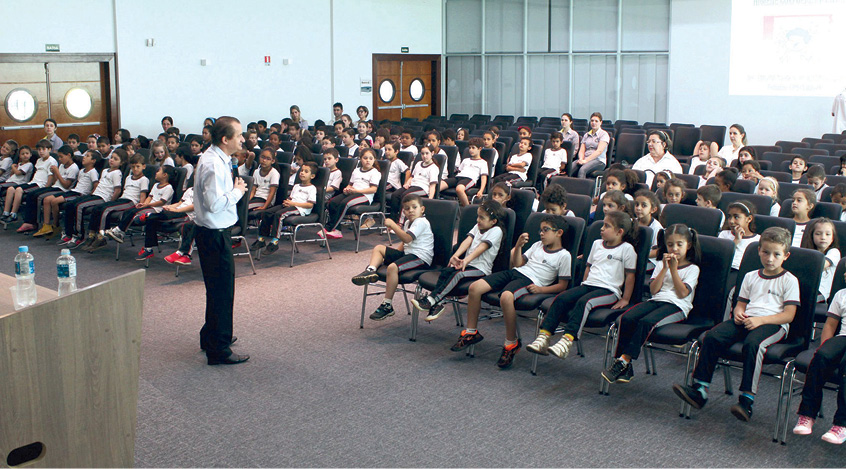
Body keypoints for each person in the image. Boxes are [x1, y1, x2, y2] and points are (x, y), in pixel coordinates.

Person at [673, 227, 800, 422]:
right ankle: (700, 389)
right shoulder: (751, 276)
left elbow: (789, 315)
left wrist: (760, 320)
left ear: (786, 256)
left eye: (776, 254)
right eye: (766, 252)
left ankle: (746, 400)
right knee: (712, 336)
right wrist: (739, 313)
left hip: (773, 323)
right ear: (759, 251)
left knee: (753, 344)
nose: (770, 259)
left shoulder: (789, 280)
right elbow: (740, 304)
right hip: (748, 318)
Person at [452, 215, 571, 368]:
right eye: (540, 230)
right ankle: (471, 332)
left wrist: (541, 290)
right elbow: (518, 263)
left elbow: (562, 286)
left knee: (506, 297)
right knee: (475, 288)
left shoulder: (564, 255)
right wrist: (519, 246)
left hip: (531, 281)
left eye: (545, 230)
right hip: (516, 272)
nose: (541, 233)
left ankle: (511, 343)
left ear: (559, 233)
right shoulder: (537, 245)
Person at [526, 211, 638, 358]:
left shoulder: (627, 249)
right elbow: (588, 267)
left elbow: (630, 276)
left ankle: (566, 341)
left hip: (609, 290)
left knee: (584, 302)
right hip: (589, 285)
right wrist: (583, 285)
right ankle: (544, 336)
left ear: (619, 232)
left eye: (607, 226)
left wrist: (625, 299)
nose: (602, 228)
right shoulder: (597, 244)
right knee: (562, 298)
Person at [602, 224, 701, 384]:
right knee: (626, 318)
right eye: (670, 245)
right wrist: (665, 269)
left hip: (677, 306)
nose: (674, 248)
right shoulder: (661, 264)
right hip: (657, 300)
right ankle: (624, 367)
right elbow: (654, 290)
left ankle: (624, 360)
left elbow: (683, 293)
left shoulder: (693, 269)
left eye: (679, 244)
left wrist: (674, 270)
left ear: (688, 245)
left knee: (646, 322)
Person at [193, 116, 249, 366]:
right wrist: (238, 192)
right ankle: (219, 349)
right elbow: (215, 204)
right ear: (225, 139)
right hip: (214, 234)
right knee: (223, 291)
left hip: (211, 232)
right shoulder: (214, 164)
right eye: (239, 135)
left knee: (216, 290)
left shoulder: (217, 158)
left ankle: (212, 336)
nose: (243, 139)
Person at [412, 200, 507, 322]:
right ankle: (437, 304)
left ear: (493, 221)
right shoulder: (478, 227)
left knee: (458, 275)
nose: (478, 220)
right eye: (478, 216)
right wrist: (455, 256)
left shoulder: (496, 230)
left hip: (481, 269)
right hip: (468, 264)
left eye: (482, 218)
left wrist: (466, 260)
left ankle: (432, 300)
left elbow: (482, 247)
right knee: (447, 271)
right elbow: (467, 241)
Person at [353, 193, 434, 321]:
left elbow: (407, 238)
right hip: (408, 254)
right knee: (379, 248)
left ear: (422, 209)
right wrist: (395, 255)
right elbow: (405, 243)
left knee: (392, 267)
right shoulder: (408, 223)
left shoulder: (421, 222)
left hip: (420, 258)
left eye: (414, 207)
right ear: (404, 212)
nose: (411, 210)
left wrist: (393, 225)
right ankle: (370, 271)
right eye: (407, 208)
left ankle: (387, 305)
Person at [792, 271, 846, 444]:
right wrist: (826, 348)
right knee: (820, 357)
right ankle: (807, 414)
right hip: (843, 337)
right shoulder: (841, 294)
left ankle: (841, 424)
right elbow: (830, 325)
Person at [61, 150, 124, 247]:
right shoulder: (104, 171)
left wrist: (110, 202)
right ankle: (69, 233)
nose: (112, 160)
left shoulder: (117, 173)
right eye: (111, 158)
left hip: (103, 197)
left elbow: (117, 190)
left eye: (115, 159)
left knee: (79, 207)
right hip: (95, 194)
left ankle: (79, 236)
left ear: (121, 163)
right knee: (70, 204)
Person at [104, 165, 175, 243]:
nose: (156, 173)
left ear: (165, 175)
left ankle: (119, 230)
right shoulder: (155, 185)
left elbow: (162, 202)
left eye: (158, 171)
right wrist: (143, 204)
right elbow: (150, 197)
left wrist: (147, 205)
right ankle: (121, 233)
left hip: (157, 209)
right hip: (149, 206)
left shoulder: (168, 188)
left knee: (135, 212)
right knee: (129, 211)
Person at [323, 149, 381, 239]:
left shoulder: (375, 172)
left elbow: (373, 189)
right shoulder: (356, 170)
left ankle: (329, 228)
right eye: (365, 158)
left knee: (345, 203)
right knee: (333, 202)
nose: (368, 160)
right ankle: (337, 230)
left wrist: (357, 191)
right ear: (360, 159)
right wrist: (347, 189)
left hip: (365, 196)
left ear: (374, 160)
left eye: (371, 158)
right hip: (353, 193)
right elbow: (350, 184)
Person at [136, 182, 195, 261]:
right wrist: (169, 207)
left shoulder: (202, 192)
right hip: (177, 211)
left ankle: (149, 215)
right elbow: (179, 203)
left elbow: (194, 207)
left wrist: (176, 210)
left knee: (153, 218)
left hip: (187, 215)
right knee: (151, 220)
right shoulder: (189, 190)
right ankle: (148, 249)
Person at [388, 145, 438, 221]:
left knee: (406, 196)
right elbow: (412, 177)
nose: (424, 156)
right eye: (422, 154)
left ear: (432, 153)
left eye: (427, 153)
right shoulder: (418, 164)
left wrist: (430, 199)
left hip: (423, 188)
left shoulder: (434, 168)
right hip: (413, 185)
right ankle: (393, 220)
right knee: (395, 195)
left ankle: (400, 222)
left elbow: (432, 185)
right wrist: (407, 183)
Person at [800, 218, 840, 302]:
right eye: (818, 234)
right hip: (806, 287)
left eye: (828, 234)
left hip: (822, 292)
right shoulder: (807, 253)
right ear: (812, 236)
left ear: (833, 237)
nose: (823, 237)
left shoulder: (834, 252)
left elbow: (821, 265)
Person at [443, 137, 488, 207]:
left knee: (459, 189)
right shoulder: (465, 160)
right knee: (439, 185)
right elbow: (459, 171)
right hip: (458, 177)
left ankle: (467, 208)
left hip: (469, 179)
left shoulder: (483, 162)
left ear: (480, 149)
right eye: (470, 148)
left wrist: (481, 190)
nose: (471, 150)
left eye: (473, 148)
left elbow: (483, 178)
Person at [570, 112, 609, 178]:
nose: (593, 123)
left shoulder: (604, 134)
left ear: (601, 122)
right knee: (570, 168)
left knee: (582, 170)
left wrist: (586, 161)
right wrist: (581, 159)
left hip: (598, 161)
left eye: (596, 121)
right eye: (592, 121)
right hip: (584, 159)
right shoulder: (586, 135)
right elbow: (582, 150)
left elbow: (599, 151)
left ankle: (582, 185)